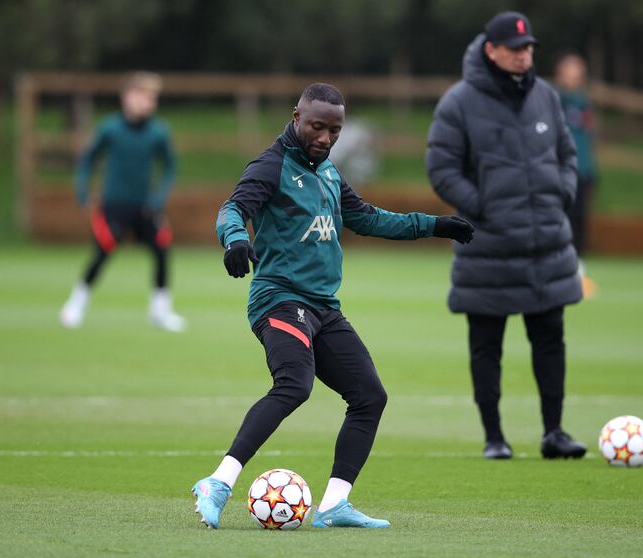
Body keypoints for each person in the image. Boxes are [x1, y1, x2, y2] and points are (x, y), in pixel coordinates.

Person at [191, 83, 473, 529]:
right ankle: (218, 483)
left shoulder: (327, 172)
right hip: (280, 300)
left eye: (335, 130)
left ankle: (334, 505)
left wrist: (434, 225)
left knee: (369, 396)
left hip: (323, 306)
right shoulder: (270, 166)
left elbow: (367, 218)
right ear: (297, 116)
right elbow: (233, 208)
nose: (325, 138)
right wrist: (236, 240)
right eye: (318, 127)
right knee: (294, 385)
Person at [426, 12, 587, 461]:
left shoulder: (546, 97)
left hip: (546, 247)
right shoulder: (458, 103)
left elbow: (566, 153)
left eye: (529, 48)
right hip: (489, 247)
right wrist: (483, 208)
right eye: (515, 49)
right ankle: (494, 437)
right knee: (486, 345)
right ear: (491, 50)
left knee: (551, 341)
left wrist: (563, 195)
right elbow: (441, 169)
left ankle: (554, 432)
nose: (524, 56)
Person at [59, 72, 185, 332]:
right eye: (143, 96)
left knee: (162, 248)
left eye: (152, 97)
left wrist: (159, 197)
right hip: (113, 206)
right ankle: (76, 304)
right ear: (127, 97)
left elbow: (170, 168)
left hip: (145, 207)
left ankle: (160, 311)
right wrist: (83, 190)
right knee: (103, 251)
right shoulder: (110, 128)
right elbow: (88, 160)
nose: (148, 102)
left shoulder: (158, 133)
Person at [555, 53, 598, 298]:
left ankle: (576, 269)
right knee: (560, 220)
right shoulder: (554, 101)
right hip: (559, 171)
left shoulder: (584, 103)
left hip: (583, 170)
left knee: (579, 220)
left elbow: (588, 137)